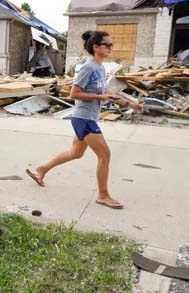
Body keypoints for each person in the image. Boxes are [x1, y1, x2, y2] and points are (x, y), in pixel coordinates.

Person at [25, 30, 144, 209]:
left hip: (88, 118)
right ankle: (103, 195)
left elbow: (107, 94)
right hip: (83, 118)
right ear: (96, 47)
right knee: (105, 155)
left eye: (111, 45)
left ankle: (42, 169)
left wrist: (129, 104)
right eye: (108, 45)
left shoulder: (100, 67)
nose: (111, 48)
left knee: (76, 153)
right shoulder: (88, 67)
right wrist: (100, 98)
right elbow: (74, 94)